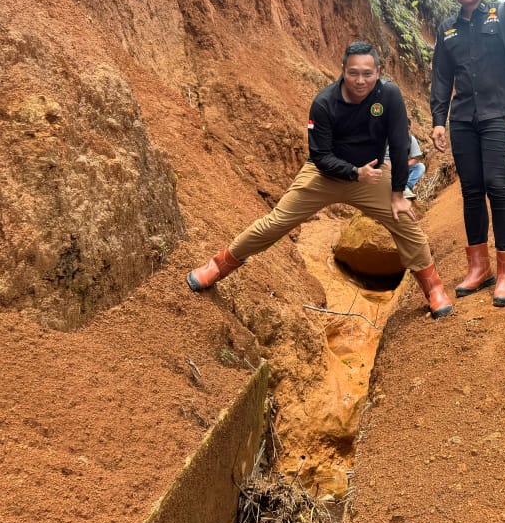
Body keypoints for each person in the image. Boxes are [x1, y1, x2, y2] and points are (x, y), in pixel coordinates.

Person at [187, 41, 453, 319]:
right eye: (353, 73)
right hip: (325, 174)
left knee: (406, 223)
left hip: (372, 175)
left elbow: (399, 145)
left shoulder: (389, 95)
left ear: (378, 71)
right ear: (342, 71)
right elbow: (320, 155)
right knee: (276, 222)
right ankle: (217, 266)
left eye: (367, 73)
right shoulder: (324, 103)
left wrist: (398, 194)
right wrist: (354, 172)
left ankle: (433, 288)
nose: (360, 80)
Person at [430, 0, 505, 307]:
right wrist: (437, 121)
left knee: (498, 188)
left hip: (497, 116)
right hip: (462, 120)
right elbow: (442, 79)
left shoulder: (503, 15)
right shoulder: (447, 28)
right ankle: (479, 267)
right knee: (472, 192)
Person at [384, 133, 426, 198]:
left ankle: (405, 188)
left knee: (420, 167)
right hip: (384, 167)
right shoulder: (382, 137)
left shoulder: (410, 139)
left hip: (400, 167)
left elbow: (416, 158)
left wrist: (403, 165)